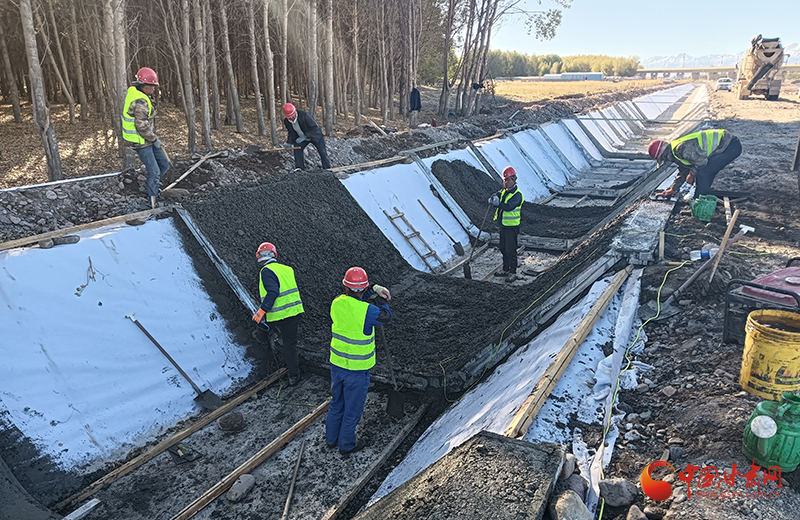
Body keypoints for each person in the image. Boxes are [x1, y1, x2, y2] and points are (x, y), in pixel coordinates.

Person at [325, 267, 392, 455]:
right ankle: (346, 445)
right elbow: (386, 316)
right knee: (352, 411)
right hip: (357, 370)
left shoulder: (337, 302)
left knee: (336, 403)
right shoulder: (368, 311)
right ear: (364, 288)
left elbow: (356, 298)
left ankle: (331, 439)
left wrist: (373, 289)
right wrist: (381, 299)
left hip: (337, 365)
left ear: (345, 286)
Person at [251, 242, 304, 386]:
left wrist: (262, 311)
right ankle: (294, 376)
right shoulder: (287, 269)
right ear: (274, 255)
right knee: (290, 345)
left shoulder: (266, 271)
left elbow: (273, 292)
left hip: (279, 315)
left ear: (259, 256)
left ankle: (264, 343)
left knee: (261, 324)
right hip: (295, 312)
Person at [122, 67, 170, 207]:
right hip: (141, 141)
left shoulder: (142, 95)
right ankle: (153, 200)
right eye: (152, 86)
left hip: (147, 138)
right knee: (154, 172)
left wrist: (153, 139)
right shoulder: (140, 102)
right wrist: (154, 140)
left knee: (164, 164)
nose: (154, 89)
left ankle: (148, 185)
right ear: (144, 86)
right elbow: (141, 126)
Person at [649, 129, 742, 199]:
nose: (665, 161)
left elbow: (702, 162)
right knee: (704, 171)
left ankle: (701, 201)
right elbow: (683, 172)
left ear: (664, 154)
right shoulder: (675, 152)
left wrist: (691, 175)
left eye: (663, 159)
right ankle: (703, 197)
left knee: (703, 173)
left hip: (729, 146)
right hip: (725, 145)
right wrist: (673, 189)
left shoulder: (682, 149)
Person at [489, 166, 524, 283]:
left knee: (511, 250)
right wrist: (493, 197)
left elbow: (509, 207)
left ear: (513, 180)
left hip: (512, 227)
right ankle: (505, 269)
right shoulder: (504, 191)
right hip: (503, 226)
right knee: (503, 248)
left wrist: (498, 204)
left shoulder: (517, 195)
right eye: (504, 180)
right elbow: (498, 194)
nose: (505, 182)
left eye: (507, 180)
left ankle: (512, 272)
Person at [282, 103, 331, 171]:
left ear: (295, 112)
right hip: (301, 138)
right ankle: (299, 168)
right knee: (297, 148)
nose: (292, 118)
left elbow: (315, 128)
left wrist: (306, 136)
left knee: (322, 152)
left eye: (292, 116)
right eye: (289, 117)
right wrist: (289, 142)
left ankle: (327, 169)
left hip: (314, 136)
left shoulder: (305, 115)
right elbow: (291, 132)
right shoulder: (286, 122)